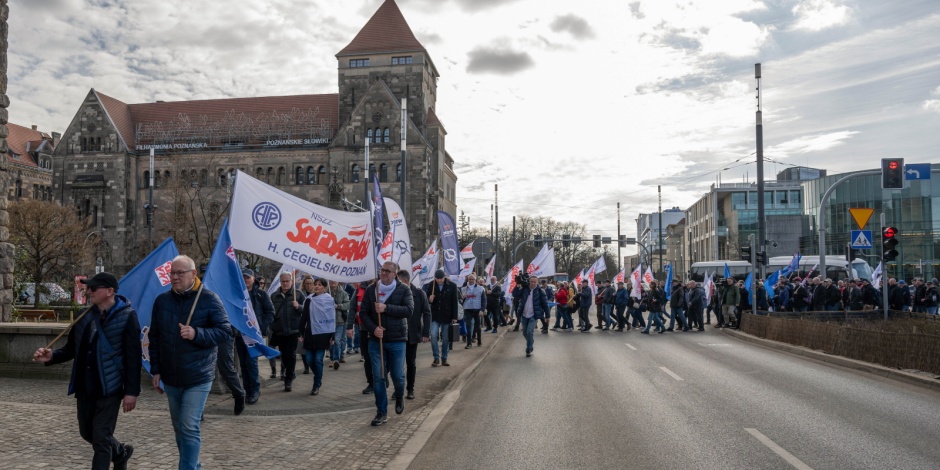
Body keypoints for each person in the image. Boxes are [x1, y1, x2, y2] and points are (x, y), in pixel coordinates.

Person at [32, 272, 140, 470]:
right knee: (87, 432)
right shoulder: (84, 315)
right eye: (88, 287)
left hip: (109, 386)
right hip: (84, 385)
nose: (88, 291)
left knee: (101, 438)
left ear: (109, 291)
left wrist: (131, 392)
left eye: (93, 287)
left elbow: (134, 357)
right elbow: (71, 349)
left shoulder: (127, 316)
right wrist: (52, 357)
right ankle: (121, 453)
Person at [149, 255, 232, 470]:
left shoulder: (209, 299)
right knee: (179, 427)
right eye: (172, 273)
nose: (174, 277)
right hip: (171, 376)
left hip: (198, 375)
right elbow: (155, 338)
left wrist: (197, 333)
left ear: (193, 274)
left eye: (180, 273)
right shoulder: (162, 301)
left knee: (189, 426)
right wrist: (155, 370)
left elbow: (225, 332)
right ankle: (193, 465)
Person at [361, 261, 414, 426]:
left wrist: (386, 308)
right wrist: (373, 329)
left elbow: (408, 310)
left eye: (388, 271)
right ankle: (381, 412)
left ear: (395, 274)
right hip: (376, 342)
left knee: (398, 376)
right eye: (382, 270)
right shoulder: (372, 290)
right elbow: (363, 313)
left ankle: (399, 395)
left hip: (397, 341)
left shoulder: (404, 289)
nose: (383, 273)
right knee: (379, 378)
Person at [241, 268, 274, 404]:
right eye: (243, 278)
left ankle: (255, 391)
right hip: (240, 334)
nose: (245, 280)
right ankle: (247, 390)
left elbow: (270, 312)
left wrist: (261, 327)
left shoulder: (261, 294)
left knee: (252, 363)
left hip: (253, 334)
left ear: (253, 279)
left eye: (248, 278)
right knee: (243, 364)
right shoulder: (238, 293)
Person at [298, 278, 335, 396]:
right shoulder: (309, 300)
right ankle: (318, 375)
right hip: (310, 333)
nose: (317, 286)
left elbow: (331, 319)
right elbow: (303, 317)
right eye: (316, 284)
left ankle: (316, 384)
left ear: (324, 287)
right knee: (309, 359)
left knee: (318, 360)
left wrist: (332, 335)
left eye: (320, 285)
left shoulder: (329, 300)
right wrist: (300, 332)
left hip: (323, 334)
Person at [269, 272, 304, 392]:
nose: (285, 283)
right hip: (280, 330)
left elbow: (306, 311)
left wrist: (298, 307)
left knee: (291, 354)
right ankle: (290, 372)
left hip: (293, 330)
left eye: (287, 281)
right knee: (283, 355)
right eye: (283, 281)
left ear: (291, 281)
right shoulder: (274, 296)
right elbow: (270, 311)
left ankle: (288, 379)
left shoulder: (298, 294)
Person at [399, 269, 430, 400]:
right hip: (397, 334)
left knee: (410, 362)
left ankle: (410, 389)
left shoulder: (419, 294)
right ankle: (398, 389)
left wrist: (425, 333)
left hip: (412, 333)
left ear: (406, 281)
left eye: (398, 281)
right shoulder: (395, 293)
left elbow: (427, 313)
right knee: (397, 364)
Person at [426, 269, 458, 366]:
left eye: (441, 278)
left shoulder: (452, 286)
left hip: (447, 316)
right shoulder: (431, 285)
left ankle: (444, 358)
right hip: (435, 315)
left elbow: (454, 302)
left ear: (444, 277)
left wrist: (454, 316)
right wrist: (429, 299)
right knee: (433, 336)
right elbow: (426, 300)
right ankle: (436, 358)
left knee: (445, 338)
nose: (439, 280)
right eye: (437, 278)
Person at [514, 274, 548, 357]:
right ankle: (531, 342)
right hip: (524, 314)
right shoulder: (525, 289)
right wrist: (517, 285)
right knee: (525, 333)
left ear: (537, 282)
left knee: (529, 331)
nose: (532, 283)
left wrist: (548, 316)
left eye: (534, 282)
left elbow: (545, 304)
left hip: (533, 315)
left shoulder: (540, 291)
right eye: (531, 282)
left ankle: (529, 349)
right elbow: (515, 294)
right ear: (529, 282)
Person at [328, 280, 351, 368]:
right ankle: (333, 358)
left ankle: (336, 359)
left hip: (340, 321)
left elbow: (348, 305)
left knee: (338, 340)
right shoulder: (326, 292)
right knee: (331, 341)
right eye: (331, 280)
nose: (333, 282)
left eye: (334, 280)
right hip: (329, 322)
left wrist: (338, 306)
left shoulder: (343, 293)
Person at [461, 274, 486, 348]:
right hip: (467, 309)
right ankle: (469, 343)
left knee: (477, 326)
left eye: (472, 279)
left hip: (477, 309)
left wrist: (482, 309)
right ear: (467, 280)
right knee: (468, 326)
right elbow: (461, 300)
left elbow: (484, 300)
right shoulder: (463, 289)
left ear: (475, 280)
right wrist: (463, 298)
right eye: (470, 279)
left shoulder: (481, 288)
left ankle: (479, 341)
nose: (471, 280)